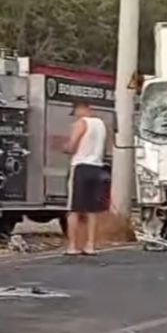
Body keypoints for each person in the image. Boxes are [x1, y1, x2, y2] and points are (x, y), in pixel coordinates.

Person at [63, 101, 110, 256]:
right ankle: (90, 245)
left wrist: (65, 147)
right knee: (92, 210)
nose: (75, 115)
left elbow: (72, 146)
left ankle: (72, 246)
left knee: (74, 209)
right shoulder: (101, 124)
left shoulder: (81, 123)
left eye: (75, 112)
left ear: (80, 109)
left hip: (80, 167)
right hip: (97, 167)